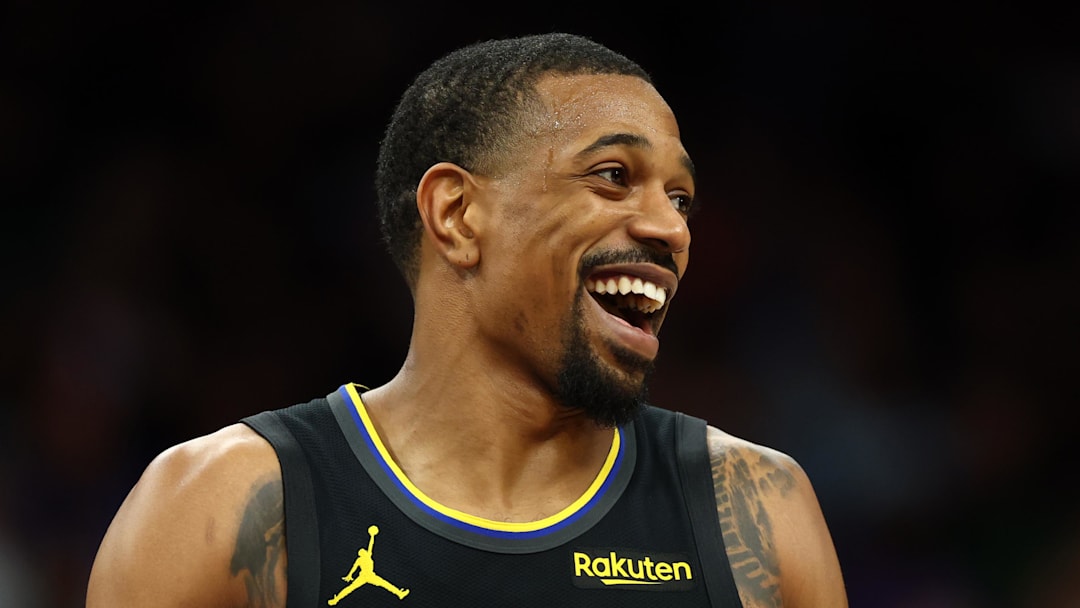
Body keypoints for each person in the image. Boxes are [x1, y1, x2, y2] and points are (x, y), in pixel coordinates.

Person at [86, 32, 848, 607]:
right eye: (614, 177)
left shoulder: (755, 510)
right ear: (456, 214)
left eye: (680, 198)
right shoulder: (224, 504)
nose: (671, 229)